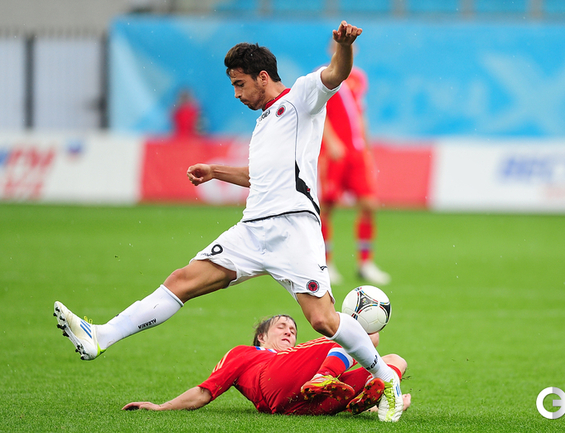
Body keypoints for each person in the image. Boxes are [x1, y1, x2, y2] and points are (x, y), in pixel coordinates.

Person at [54, 20, 404, 423]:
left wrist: (343, 47)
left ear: (262, 77)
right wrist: (216, 171)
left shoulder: (301, 97)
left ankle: (386, 379)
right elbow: (261, 176)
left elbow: (336, 73)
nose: (237, 94)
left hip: (292, 228)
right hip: (252, 229)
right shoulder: (264, 122)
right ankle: (100, 336)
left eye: (240, 84)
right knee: (182, 280)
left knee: (323, 320)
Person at [122, 315, 411, 416]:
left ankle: (378, 400)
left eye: (293, 330)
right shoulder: (245, 353)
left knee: (396, 361)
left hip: (301, 405)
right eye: (281, 326)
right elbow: (206, 390)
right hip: (273, 383)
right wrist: (162, 407)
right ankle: (326, 378)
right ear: (261, 337)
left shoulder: (302, 355)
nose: (288, 331)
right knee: (356, 335)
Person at [319, 43, 390, 286]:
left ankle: (365, 263)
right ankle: (325, 264)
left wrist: (367, 148)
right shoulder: (323, 75)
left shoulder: (358, 77)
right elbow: (318, 112)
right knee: (326, 207)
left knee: (369, 204)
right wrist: (330, 141)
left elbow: (360, 114)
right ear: (331, 48)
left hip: (356, 153)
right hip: (334, 153)